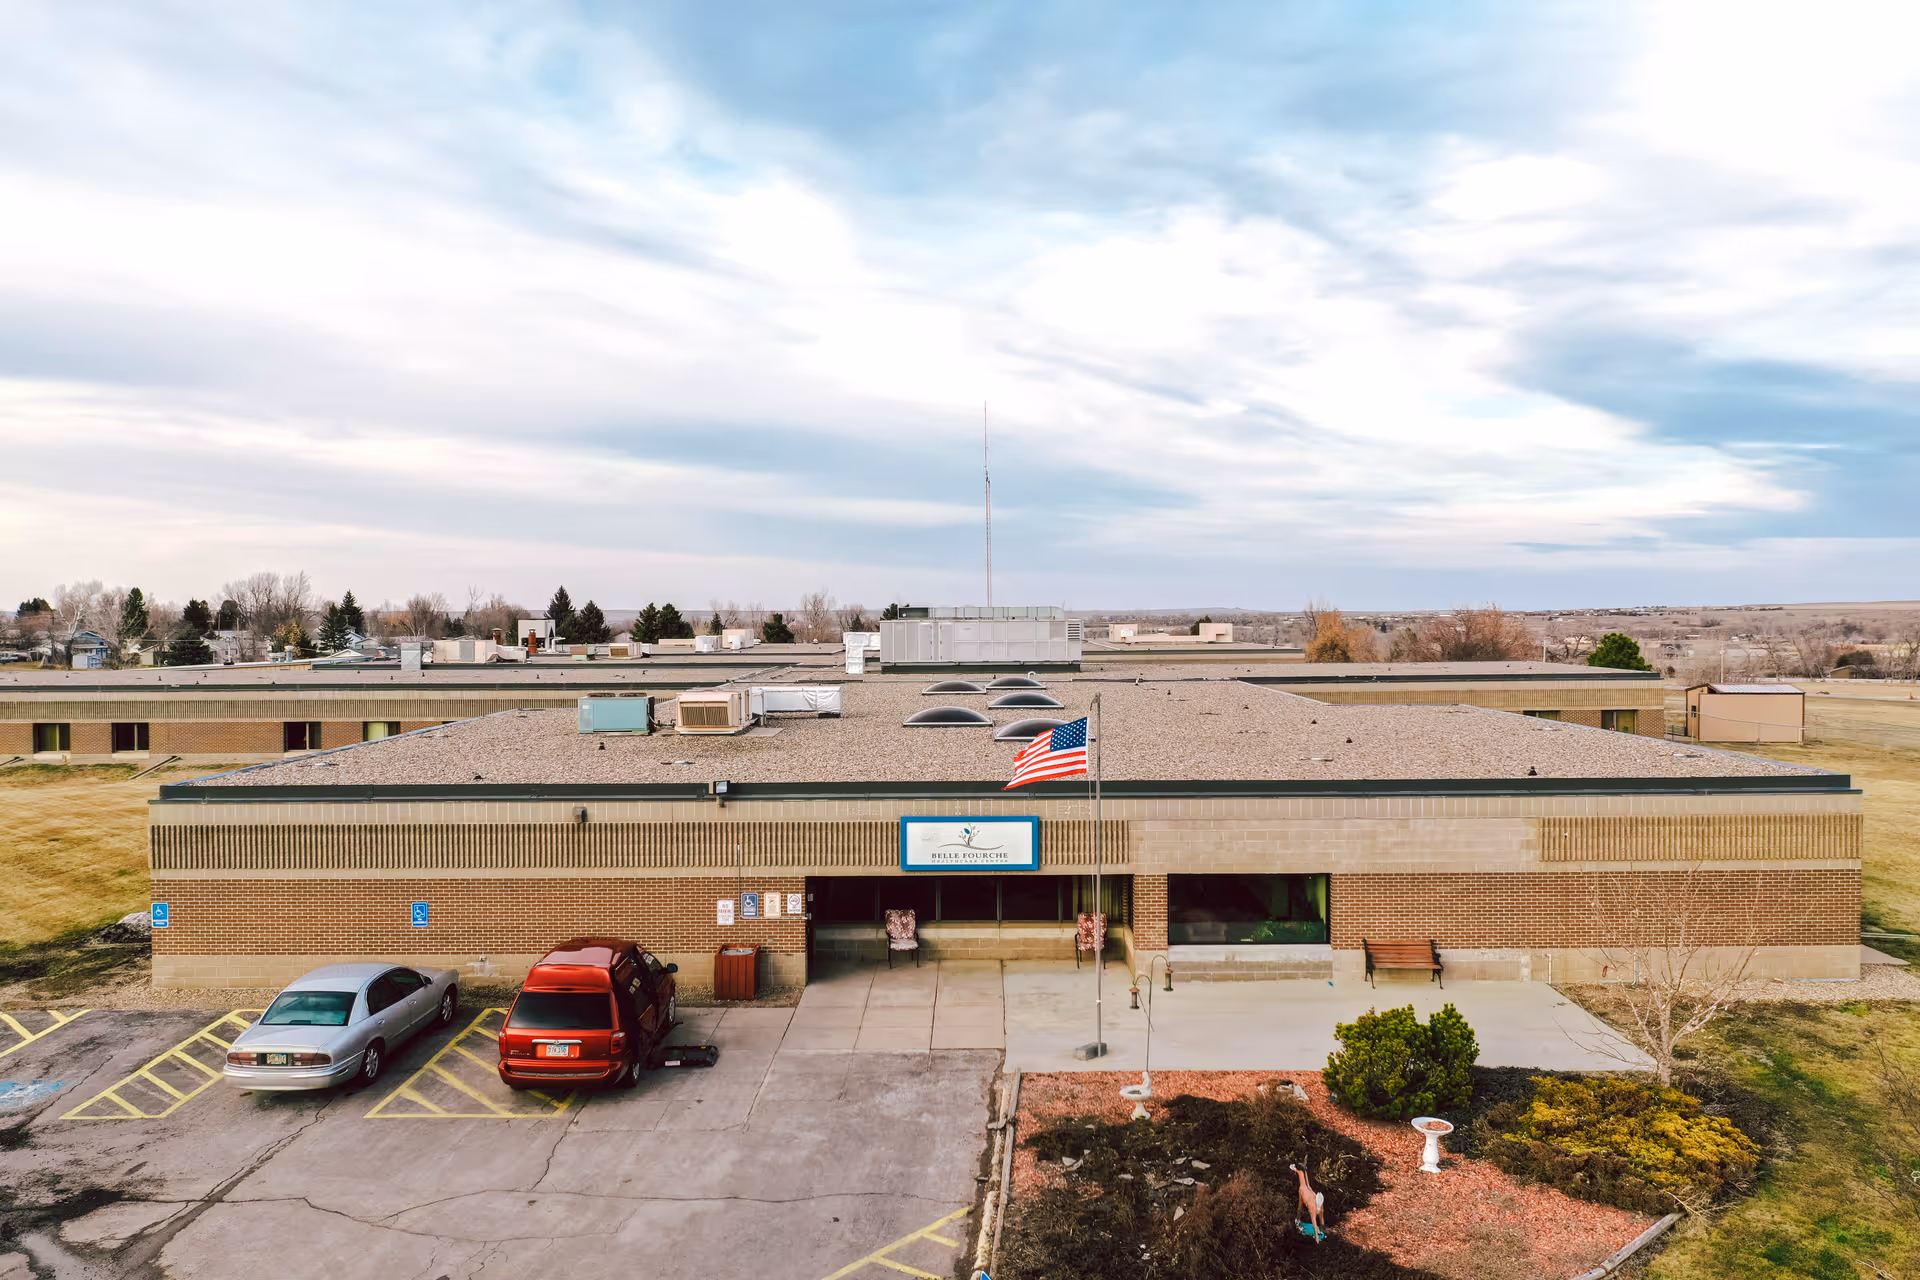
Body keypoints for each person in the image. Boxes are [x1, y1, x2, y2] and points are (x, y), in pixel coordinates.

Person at [1289, 1163, 1325, 1241]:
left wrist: (1317, 1236)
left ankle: (1298, 1221)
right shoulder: (1315, 1204)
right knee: (1300, 1207)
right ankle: (1298, 1221)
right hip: (1305, 1193)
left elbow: (1317, 1222)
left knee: (1300, 1207)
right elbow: (1308, 1185)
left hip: (1305, 1194)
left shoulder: (1316, 1206)